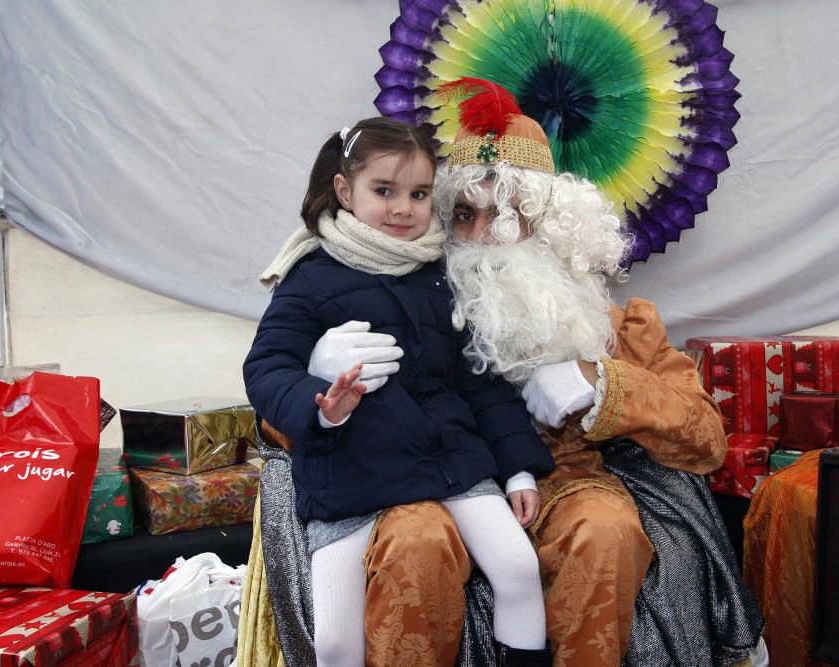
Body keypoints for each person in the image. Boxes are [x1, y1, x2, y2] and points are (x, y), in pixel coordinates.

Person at [303, 82, 764, 666]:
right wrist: (319, 377)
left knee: (605, 531)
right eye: (463, 214)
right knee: (413, 543)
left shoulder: (616, 324)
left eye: (506, 214)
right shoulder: (387, 302)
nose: (480, 235)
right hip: (423, 480)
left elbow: (706, 441)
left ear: (550, 223)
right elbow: (287, 430)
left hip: (562, 480)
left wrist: (605, 384)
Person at [242, 116, 555, 667]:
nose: (402, 208)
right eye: (383, 191)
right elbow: (267, 367)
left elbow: (478, 382)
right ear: (345, 190)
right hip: (351, 468)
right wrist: (322, 406)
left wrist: (520, 468)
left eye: (417, 193)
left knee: (519, 571)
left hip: (451, 460)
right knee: (337, 641)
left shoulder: (439, 273)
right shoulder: (310, 275)